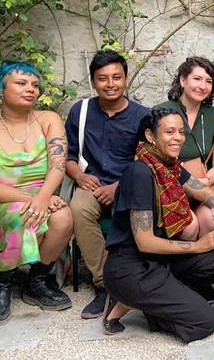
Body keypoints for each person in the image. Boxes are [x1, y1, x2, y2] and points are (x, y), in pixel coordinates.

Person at [102, 108, 214, 343]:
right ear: (150, 136)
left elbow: (207, 193)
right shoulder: (139, 173)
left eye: (181, 132)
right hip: (132, 269)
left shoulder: (170, 166)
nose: (178, 138)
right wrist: (198, 246)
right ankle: (133, 302)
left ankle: (159, 300)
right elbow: (145, 242)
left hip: (160, 261)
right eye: (170, 132)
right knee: (205, 321)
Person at [0, 61, 73, 326]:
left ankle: (36, 281)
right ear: (0, 89)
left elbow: (58, 166)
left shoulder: (49, 119)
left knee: (64, 218)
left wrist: (44, 196)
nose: (31, 89)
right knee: (20, 215)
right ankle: (3, 283)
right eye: (22, 83)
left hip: (41, 196)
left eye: (35, 85)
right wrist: (36, 200)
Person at [65, 49, 148, 318]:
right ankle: (105, 285)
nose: (110, 84)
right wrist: (79, 176)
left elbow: (148, 161)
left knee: (142, 212)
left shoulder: (142, 116)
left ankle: (139, 279)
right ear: (93, 81)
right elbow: (68, 156)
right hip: (90, 184)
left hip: (128, 186)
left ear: (125, 79)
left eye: (116, 77)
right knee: (79, 210)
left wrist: (119, 187)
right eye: (103, 78)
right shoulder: (81, 111)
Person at [155, 56, 214, 233]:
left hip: (204, 185)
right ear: (182, 80)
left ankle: (207, 253)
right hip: (169, 188)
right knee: (188, 226)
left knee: (211, 220)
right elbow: (149, 159)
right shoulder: (161, 112)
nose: (203, 86)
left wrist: (203, 182)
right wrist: (186, 184)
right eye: (197, 79)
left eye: (208, 81)